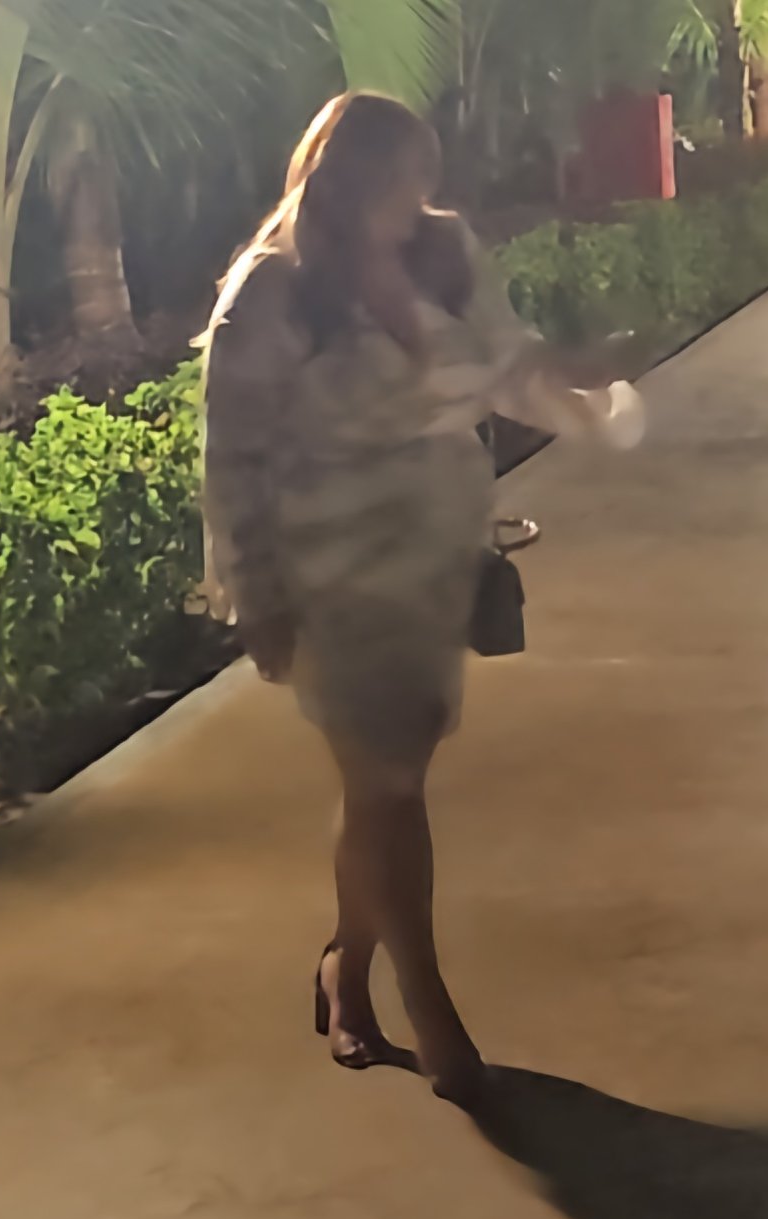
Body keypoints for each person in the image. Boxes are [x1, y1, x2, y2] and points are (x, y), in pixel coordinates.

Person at [200, 92, 643, 1103]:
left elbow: (506, 367)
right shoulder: (274, 290)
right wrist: (255, 592)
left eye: (423, 176)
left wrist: (592, 398)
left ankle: (345, 972)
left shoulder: (442, 256)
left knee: (385, 786)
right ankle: (430, 1009)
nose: (418, 197)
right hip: (330, 571)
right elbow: (234, 453)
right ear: (346, 178)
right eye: (399, 178)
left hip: (430, 558)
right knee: (390, 781)